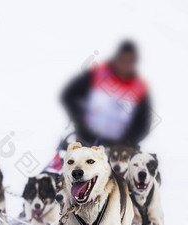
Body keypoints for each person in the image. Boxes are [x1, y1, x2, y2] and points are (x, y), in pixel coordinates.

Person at [44, 40, 151, 174]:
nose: (125, 64)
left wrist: (129, 139)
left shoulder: (139, 87)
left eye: (129, 61)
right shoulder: (98, 73)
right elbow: (68, 95)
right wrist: (80, 121)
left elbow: (144, 123)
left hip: (121, 143)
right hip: (89, 136)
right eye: (122, 59)